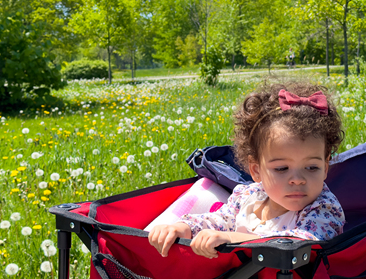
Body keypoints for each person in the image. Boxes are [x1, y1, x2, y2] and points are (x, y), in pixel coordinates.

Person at [148, 84, 346, 258]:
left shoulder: (323, 209)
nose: (297, 179)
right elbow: (219, 220)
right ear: (256, 171)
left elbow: (298, 246)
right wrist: (184, 228)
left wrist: (233, 239)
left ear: (325, 167)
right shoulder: (249, 195)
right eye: (281, 168)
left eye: (312, 167)